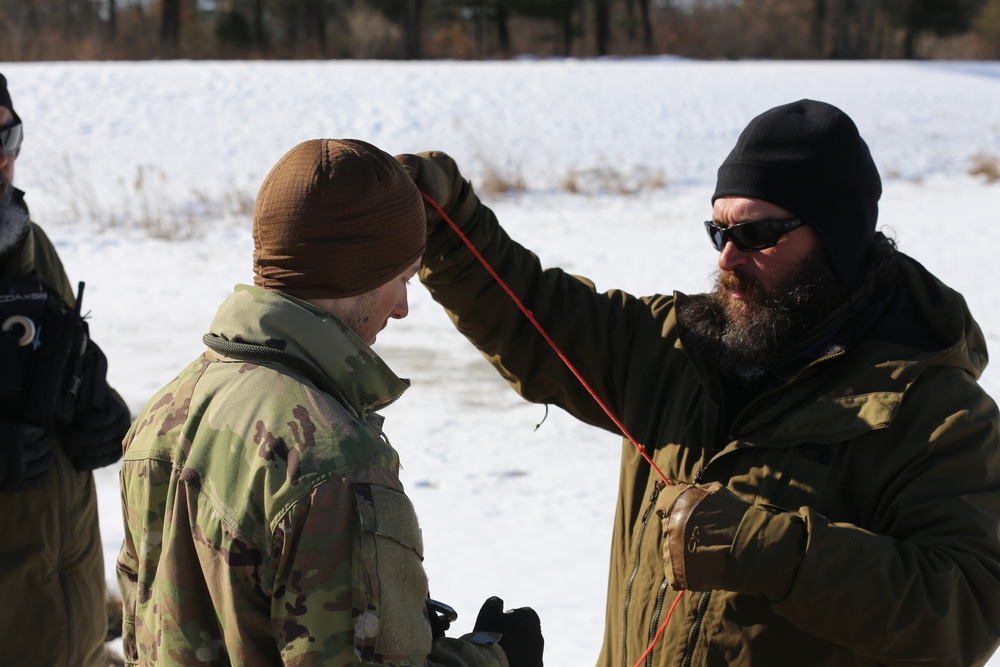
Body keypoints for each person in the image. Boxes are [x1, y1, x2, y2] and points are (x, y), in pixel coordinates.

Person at [398, 99, 1000, 666]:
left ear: (836, 239)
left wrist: (770, 551)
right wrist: (450, 222)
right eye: (719, 232)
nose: (728, 259)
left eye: (757, 235)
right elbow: (532, 313)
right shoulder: (676, 345)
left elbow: (967, 611)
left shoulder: (938, 413)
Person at [115, 138, 544, 667]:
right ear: (355, 271)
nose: (404, 308)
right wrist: (496, 661)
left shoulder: (167, 411)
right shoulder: (331, 463)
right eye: (401, 279)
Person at [0, 72, 132, 666]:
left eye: (8, 139)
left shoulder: (29, 245)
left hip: (63, 631)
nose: (0, 161)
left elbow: (67, 371)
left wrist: (101, 412)